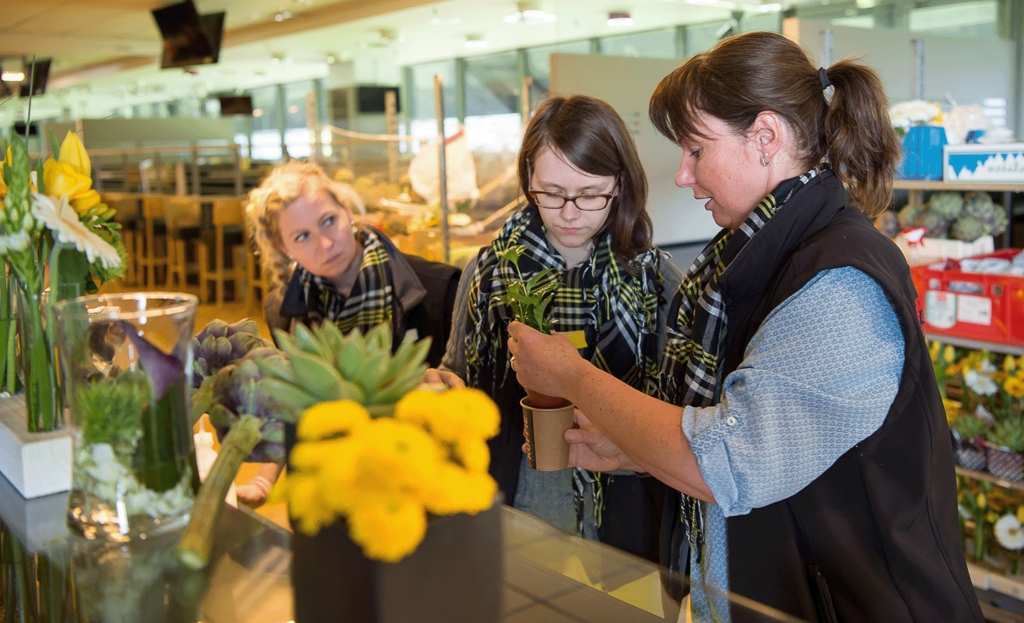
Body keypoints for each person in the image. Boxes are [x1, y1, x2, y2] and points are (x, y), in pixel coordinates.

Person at [506, 32, 983, 622]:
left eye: (696, 150)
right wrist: (634, 451)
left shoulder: (839, 284)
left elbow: (729, 462)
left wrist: (573, 378)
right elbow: (733, 431)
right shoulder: (751, 258)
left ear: (765, 137)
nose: (683, 175)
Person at [426, 95, 683, 562]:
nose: (569, 213)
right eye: (552, 192)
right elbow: (457, 373)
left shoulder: (655, 279)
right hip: (518, 506)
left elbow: (679, 414)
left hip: (629, 518)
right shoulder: (489, 271)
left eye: (589, 195)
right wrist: (440, 386)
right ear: (527, 179)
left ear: (620, 184)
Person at [238, 161, 461, 506]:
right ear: (285, 249)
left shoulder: (437, 289)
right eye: (302, 236)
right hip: (328, 491)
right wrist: (263, 480)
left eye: (328, 221)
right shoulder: (285, 310)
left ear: (347, 211)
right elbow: (294, 406)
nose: (325, 243)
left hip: (415, 491)